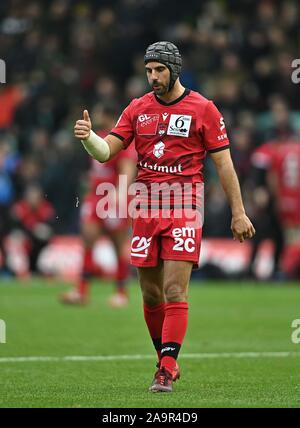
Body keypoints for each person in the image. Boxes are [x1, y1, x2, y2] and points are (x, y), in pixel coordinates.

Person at [74, 41, 255, 392]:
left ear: (175, 69)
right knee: (151, 296)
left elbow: (224, 164)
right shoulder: (137, 108)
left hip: (185, 206)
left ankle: (167, 369)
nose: (152, 77)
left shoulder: (204, 109)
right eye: (148, 71)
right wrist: (89, 138)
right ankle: (164, 358)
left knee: (174, 289)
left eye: (159, 70)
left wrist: (239, 212)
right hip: (145, 207)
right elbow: (107, 151)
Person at [61, 104, 136, 307]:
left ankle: (121, 293)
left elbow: (128, 167)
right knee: (88, 240)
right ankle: (82, 291)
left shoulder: (121, 140)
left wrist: (121, 192)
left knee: (118, 244)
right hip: (95, 198)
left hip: (112, 198)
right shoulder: (99, 136)